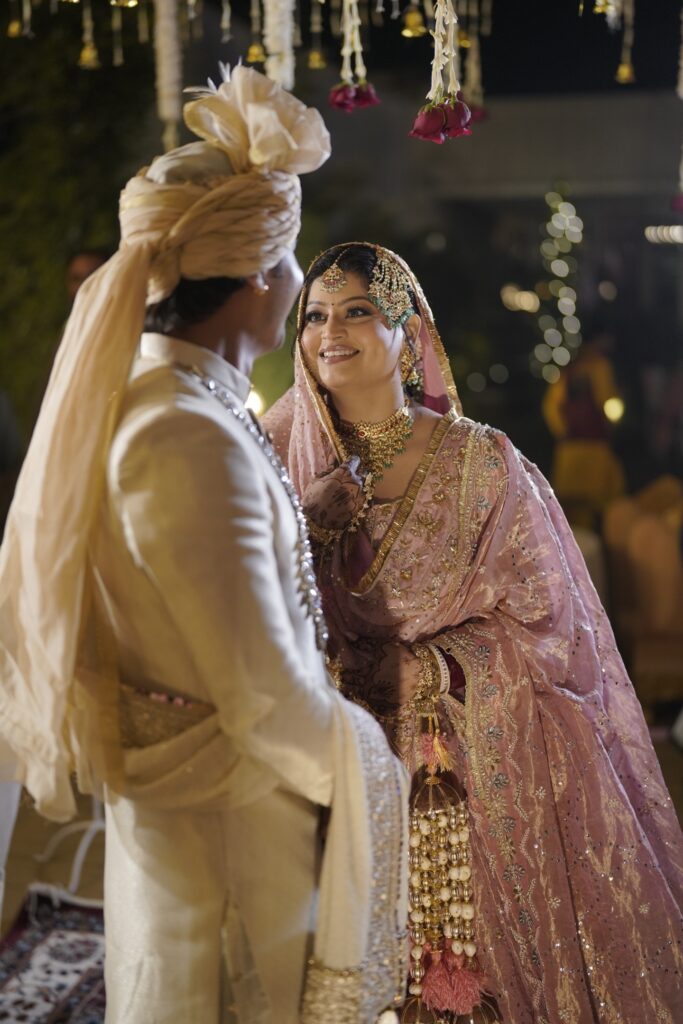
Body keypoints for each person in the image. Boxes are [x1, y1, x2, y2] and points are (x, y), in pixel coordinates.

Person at [0, 81, 408, 1023]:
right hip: (232, 839)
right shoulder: (178, 435)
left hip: (227, 816)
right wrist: (380, 764)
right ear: (261, 276)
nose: (302, 284)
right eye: (294, 262)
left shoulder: (197, 404)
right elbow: (262, 695)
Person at [265, 242, 683, 1024]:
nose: (330, 332)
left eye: (357, 310)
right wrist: (302, 527)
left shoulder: (482, 462)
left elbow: (553, 631)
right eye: (314, 315)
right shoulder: (276, 455)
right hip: (319, 756)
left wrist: (427, 668)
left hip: (461, 770)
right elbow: (234, 599)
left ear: (409, 330)